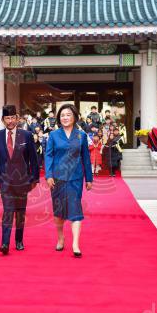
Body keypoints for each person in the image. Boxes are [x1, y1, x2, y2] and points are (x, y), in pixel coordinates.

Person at [0, 105, 40, 254]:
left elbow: (33, 159)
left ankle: (19, 240)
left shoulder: (27, 135)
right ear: (2, 120)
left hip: (22, 181)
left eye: (12, 118)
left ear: (17, 118)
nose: (10, 121)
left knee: (20, 212)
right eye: (7, 118)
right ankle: (5, 243)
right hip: (5, 181)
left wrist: (34, 179)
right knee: (8, 210)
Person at [45, 103, 93, 257]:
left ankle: (75, 244)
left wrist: (89, 178)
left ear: (74, 117)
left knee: (75, 209)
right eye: (62, 115)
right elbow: (48, 156)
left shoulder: (81, 135)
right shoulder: (53, 135)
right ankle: (60, 237)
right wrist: (48, 175)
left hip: (75, 178)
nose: (65, 118)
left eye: (68, 115)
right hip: (57, 179)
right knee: (59, 212)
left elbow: (86, 158)